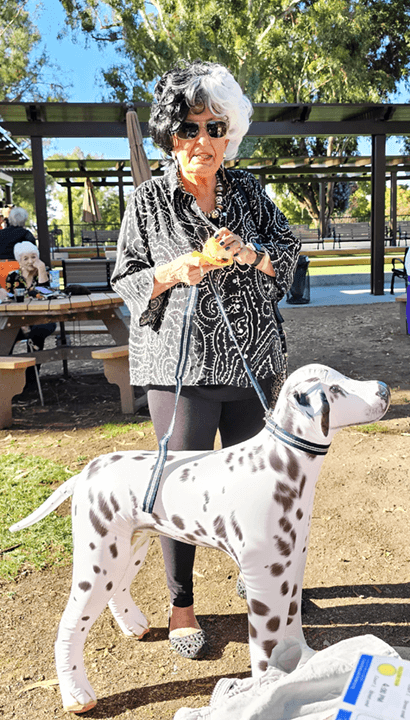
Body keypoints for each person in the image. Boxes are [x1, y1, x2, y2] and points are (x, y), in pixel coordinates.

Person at [111, 59, 301, 660]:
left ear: (231, 134)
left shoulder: (246, 192)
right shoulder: (148, 202)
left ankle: (258, 580)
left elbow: (290, 255)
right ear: (171, 133)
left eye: (215, 128)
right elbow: (126, 278)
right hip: (181, 373)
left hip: (256, 365)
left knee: (259, 485)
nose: (203, 142)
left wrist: (252, 254)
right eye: (189, 129)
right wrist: (174, 270)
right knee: (179, 490)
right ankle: (181, 603)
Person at [5, 242, 56, 374]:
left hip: (44, 317)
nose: (30, 261)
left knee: (37, 332)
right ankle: (7, 375)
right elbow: (10, 300)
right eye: (25, 258)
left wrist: (42, 269)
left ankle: (31, 377)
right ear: (19, 261)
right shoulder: (13, 276)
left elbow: (48, 295)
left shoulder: (46, 272)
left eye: (33, 257)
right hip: (19, 319)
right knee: (6, 335)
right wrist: (22, 322)